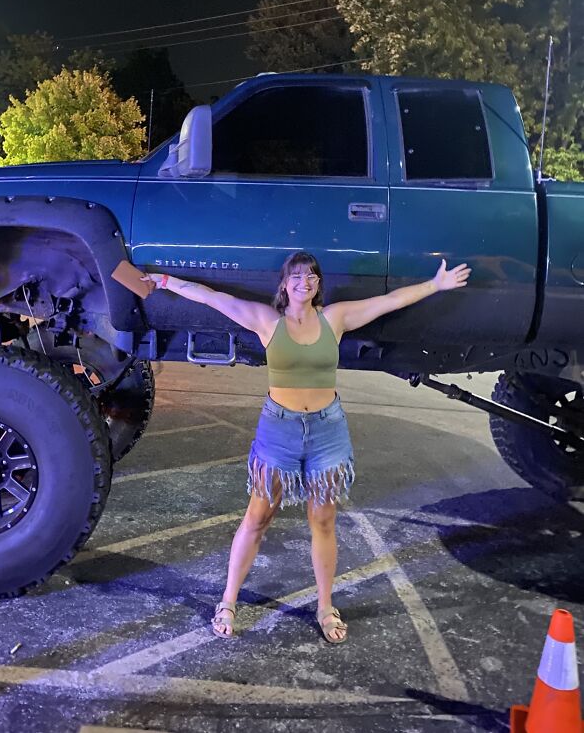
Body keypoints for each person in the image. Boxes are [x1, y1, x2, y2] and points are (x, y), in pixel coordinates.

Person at [140, 252, 470, 643]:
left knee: (324, 521)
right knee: (257, 518)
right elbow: (210, 296)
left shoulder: (336, 318)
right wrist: (162, 280)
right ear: (284, 284)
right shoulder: (267, 321)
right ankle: (227, 600)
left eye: (311, 276)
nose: (304, 282)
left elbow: (390, 302)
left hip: (327, 430)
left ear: (318, 284)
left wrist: (436, 285)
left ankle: (325, 605)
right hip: (278, 430)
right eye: (296, 276)